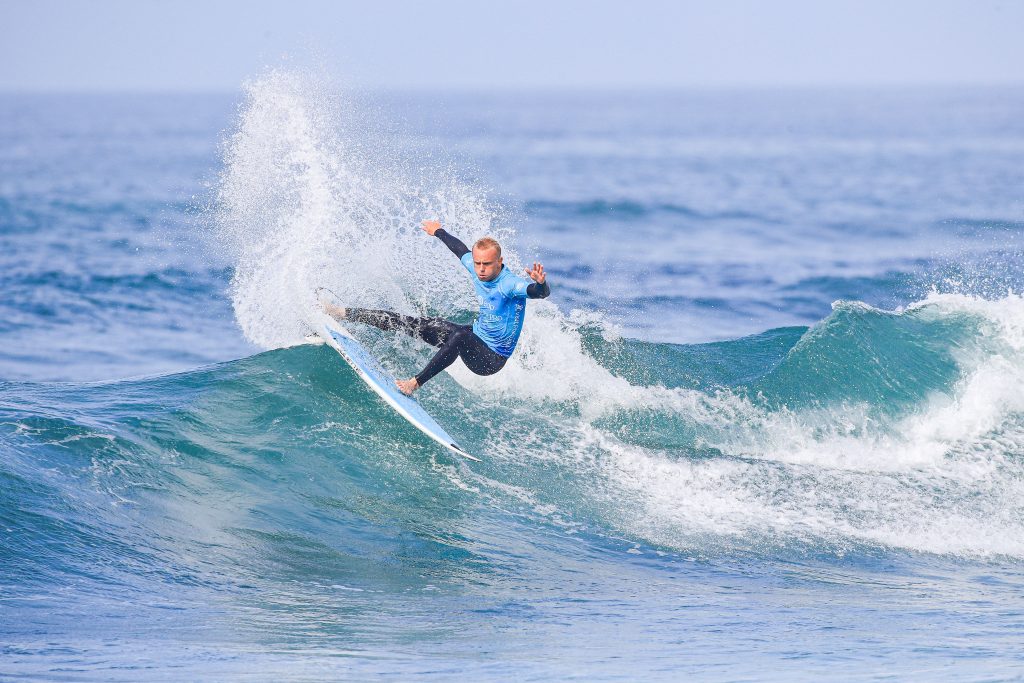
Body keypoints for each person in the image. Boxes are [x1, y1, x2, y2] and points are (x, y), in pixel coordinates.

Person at [321, 219, 550, 395]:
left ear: (499, 262)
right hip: (476, 337)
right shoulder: (477, 266)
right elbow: (460, 250)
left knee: (459, 335)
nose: (480, 269)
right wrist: (438, 231)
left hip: (491, 359)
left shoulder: (509, 284)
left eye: (487, 264)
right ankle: (341, 312)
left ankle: (414, 383)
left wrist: (541, 284)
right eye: (478, 263)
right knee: (420, 323)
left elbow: (537, 293)